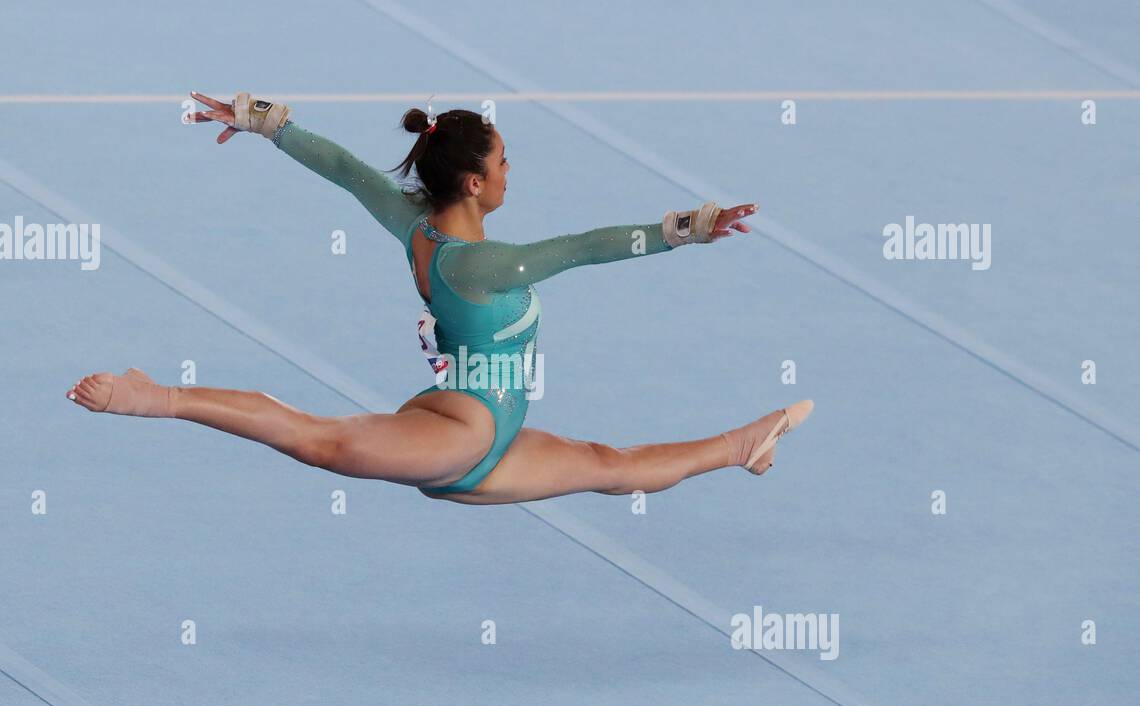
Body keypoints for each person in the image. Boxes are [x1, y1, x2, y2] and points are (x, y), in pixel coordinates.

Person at [66, 91, 812, 505]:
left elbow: (347, 170)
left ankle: (741, 446)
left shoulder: (414, 225)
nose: (512, 172)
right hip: (465, 432)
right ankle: (157, 396)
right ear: (475, 183)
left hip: (482, 429)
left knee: (608, 466)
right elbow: (588, 246)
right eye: (505, 162)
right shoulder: (485, 266)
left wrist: (268, 124)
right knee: (319, 441)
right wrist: (689, 229)